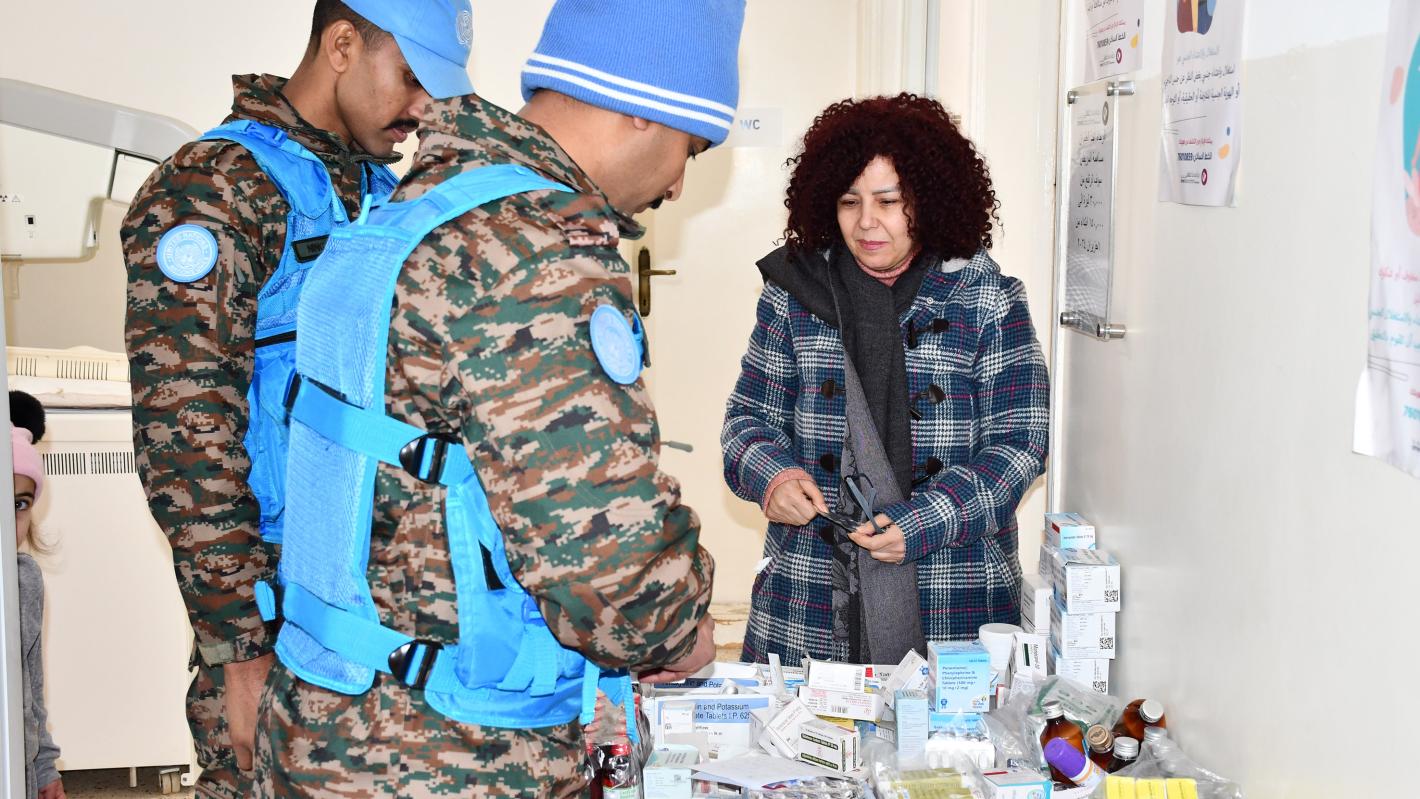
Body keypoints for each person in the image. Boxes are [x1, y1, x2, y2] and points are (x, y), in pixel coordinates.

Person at [252, 1, 744, 796]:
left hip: (324, 714)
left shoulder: (414, 204)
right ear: (642, 108)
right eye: (690, 146)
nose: (680, 181)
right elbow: (607, 561)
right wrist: (684, 630)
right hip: (444, 755)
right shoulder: (532, 252)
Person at [120, 2, 470, 795]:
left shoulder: (381, 193)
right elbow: (186, 434)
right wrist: (240, 650)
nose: (423, 107)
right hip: (275, 622)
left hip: (385, 618)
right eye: (412, 79)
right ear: (342, 44)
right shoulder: (213, 188)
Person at [722, 94, 1050, 665]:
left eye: (889, 201)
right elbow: (746, 421)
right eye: (849, 202)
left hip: (952, 593)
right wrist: (772, 478)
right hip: (807, 594)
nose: (866, 222)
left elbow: (1020, 446)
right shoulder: (792, 294)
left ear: (929, 200)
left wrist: (919, 521)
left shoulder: (988, 299)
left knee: (947, 752)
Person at [11, 391, 64, 799]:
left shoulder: (24, 580)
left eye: (19, 503)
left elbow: (32, 685)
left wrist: (45, 765)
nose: (9, 518)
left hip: (20, 770)